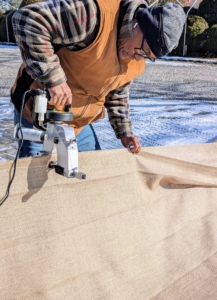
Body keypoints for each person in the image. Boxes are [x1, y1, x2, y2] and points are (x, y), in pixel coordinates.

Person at [11, 0, 186, 157]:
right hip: (38, 116)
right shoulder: (92, 16)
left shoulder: (135, 57)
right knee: (35, 185)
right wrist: (53, 78)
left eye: (149, 56)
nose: (139, 58)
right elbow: (28, 19)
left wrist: (124, 131)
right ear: (138, 25)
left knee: (91, 180)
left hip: (78, 124)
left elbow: (117, 92)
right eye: (143, 50)